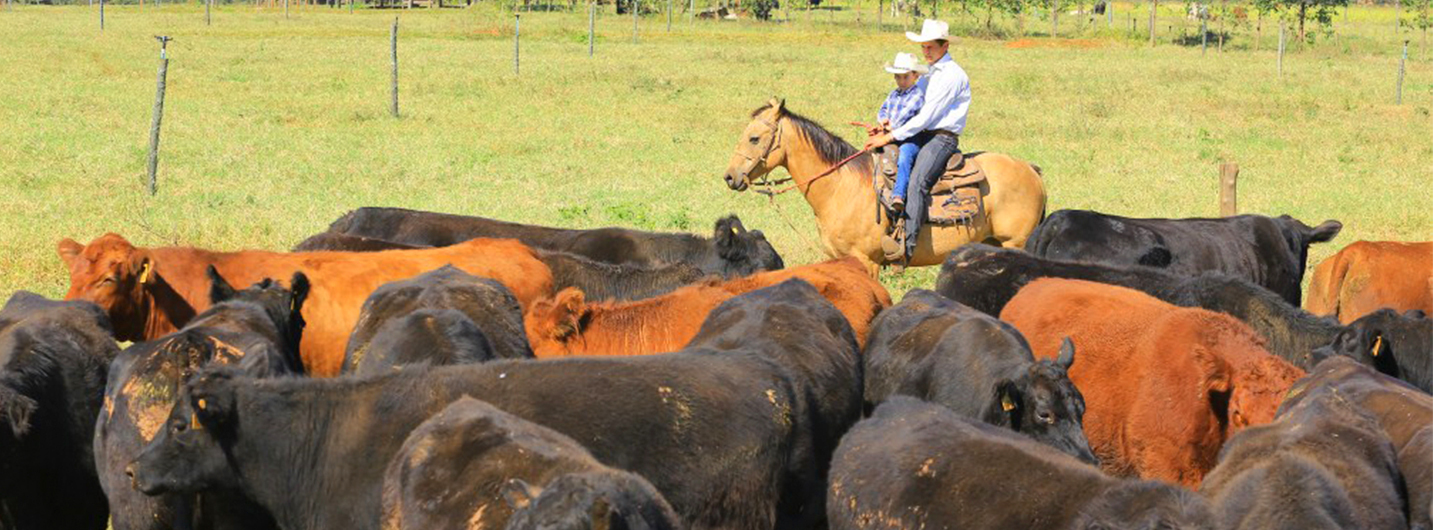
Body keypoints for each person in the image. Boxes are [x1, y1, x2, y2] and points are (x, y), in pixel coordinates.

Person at [863, 19, 971, 263]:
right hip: (920, 133)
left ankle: (907, 247)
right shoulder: (928, 72)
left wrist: (890, 136)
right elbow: (910, 106)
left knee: (918, 182)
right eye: (923, 47)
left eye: (930, 47)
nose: (925, 51)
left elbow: (926, 117)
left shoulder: (952, 76)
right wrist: (887, 125)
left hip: (941, 138)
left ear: (944, 46)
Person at [874, 52, 927, 213]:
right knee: (875, 152)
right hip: (892, 133)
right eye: (898, 77)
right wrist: (882, 119)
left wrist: (891, 126)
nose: (901, 81)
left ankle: (898, 195)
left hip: (911, 137)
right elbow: (883, 109)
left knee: (904, 157)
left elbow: (905, 115)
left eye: (905, 77)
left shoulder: (917, 95)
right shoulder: (893, 94)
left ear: (915, 75)